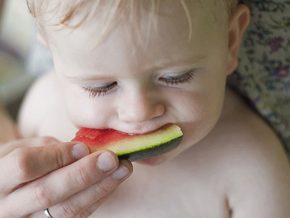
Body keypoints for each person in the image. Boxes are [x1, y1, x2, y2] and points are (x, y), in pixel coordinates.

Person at [1, 0, 290, 217]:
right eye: (101, 86)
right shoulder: (41, 107)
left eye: (175, 77)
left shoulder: (255, 169)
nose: (138, 112)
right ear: (53, 55)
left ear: (230, 42)